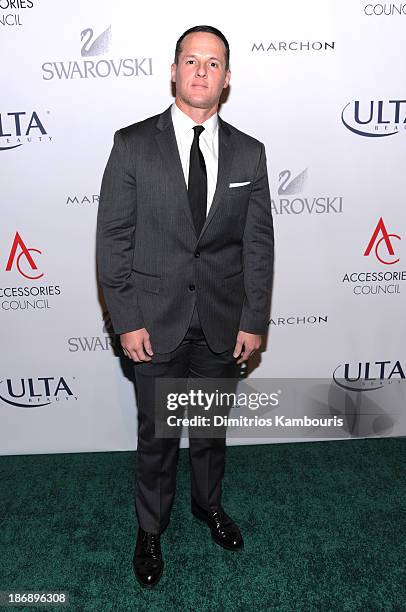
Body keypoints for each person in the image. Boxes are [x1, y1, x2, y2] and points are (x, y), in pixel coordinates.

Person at [96, 24, 274, 588]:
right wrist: (126, 321)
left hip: (222, 322)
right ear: (173, 71)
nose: (201, 71)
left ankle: (207, 506)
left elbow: (258, 244)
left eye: (214, 63)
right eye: (191, 61)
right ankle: (151, 529)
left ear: (227, 78)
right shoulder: (131, 143)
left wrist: (253, 319)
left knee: (210, 432)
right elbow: (113, 241)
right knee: (158, 436)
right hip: (154, 324)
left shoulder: (251, 151)